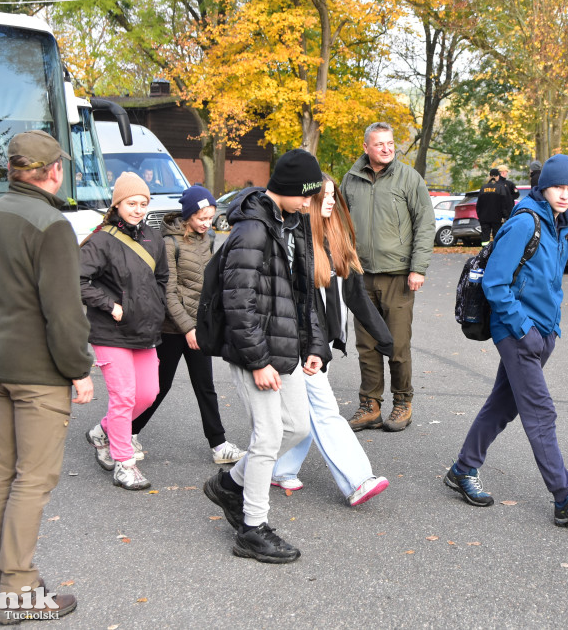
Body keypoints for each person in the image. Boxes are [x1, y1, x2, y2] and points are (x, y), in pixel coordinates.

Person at [443, 154, 568, 528]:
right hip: (518, 332)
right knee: (541, 412)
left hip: (543, 331)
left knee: (503, 405)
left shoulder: (562, 222)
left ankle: (462, 469)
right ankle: (564, 496)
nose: (565, 194)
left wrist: (550, 328)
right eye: (558, 186)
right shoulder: (525, 222)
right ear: (543, 186)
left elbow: (549, 280)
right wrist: (523, 328)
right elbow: (494, 283)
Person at [0, 130, 94, 623]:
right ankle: (17, 592)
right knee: (33, 479)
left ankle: (0, 575)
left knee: (5, 472)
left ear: (15, 169)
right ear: (54, 170)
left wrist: (3, 327)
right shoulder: (52, 224)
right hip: (39, 373)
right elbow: (64, 313)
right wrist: (78, 369)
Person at [202, 149, 328, 565]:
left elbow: (301, 293)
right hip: (254, 351)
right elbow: (238, 303)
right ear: (292, 190)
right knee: (269, 436)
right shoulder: (252, 230)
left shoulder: (293, 223)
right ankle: (253, 529)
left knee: (296, 427)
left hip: (286, 348)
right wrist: (258, 362)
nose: (311, 203)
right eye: (307, 195)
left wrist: (313, 345)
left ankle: (229, 484)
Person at [271, 174, 393, 506]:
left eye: (332, 195)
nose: (329, 201)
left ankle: (276, 468)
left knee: (302, 414)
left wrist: (385, 337)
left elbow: (355, 295)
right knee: (323, 411)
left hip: (316, 343)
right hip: (299, 343)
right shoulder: (295, 240)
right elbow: (293, 304)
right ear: (306, 200)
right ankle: (358, 479)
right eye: (322, 195)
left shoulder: (335, 238)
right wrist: (312, 344)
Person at [130, 185, 246, 465]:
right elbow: (168, 292)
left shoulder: (207, 240)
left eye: (210, 217)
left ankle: (219, 446)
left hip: (198, 325)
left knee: (205, 385)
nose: (207, 223)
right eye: (201, 218)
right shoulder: (169, 243)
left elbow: (208, 285)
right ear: (188, 214)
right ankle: (127, 432)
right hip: (172, 329)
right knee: (160, 386)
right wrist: (188, 328)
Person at [340, 122, 435, 432]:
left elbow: (425, 224)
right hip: (360, 275)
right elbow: (339, 225)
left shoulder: (409, 178)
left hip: (398, 276)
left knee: (396, 344)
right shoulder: (350, 181)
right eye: (379, 144)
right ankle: (370, 405)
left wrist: (418, 267)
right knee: (366, 345)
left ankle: (402, 403)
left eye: (390, 143)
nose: (386, 148)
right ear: (366, 147)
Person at [80, 173, 168, 491]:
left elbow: (162, 279)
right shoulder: (101, 239)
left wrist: (155, 310)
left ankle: (102, 431)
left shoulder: (153, 238)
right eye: (132, 203)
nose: (138, 209)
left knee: (147, 394)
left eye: (143, 204)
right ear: (118, 204)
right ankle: (123, 463)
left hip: (144, 330)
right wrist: (110, 305)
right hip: (109, 331)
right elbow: (77, 280)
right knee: (123, 397)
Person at [476, 168, 508, 246]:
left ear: (490, 176)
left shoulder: (483, 188)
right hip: (497, 218)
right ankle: (496, 253)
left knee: (485, 238)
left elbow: (478, 204)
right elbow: (504, 203)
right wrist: (505, 216)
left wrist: (480, 216)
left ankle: (484, 253)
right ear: (497, 176)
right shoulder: (500, 188)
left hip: (484, 218)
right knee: (497, 236)